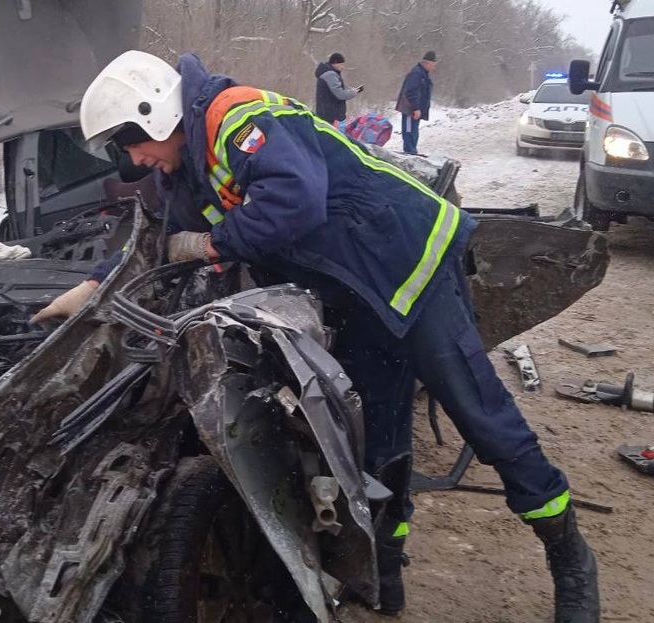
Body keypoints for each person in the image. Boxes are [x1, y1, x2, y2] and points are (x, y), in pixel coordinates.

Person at [32, 50, 599, 622]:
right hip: (349, 290)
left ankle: (569, 557)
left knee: (481, 414)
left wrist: (213, 244)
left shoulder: (236, 117)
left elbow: (294, 199)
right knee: (372, 432)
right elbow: (158, 240)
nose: (135, 159)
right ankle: (384, 565)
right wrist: (92, 287)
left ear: (157, 114)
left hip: (408, 263)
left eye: (133, 142)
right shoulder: (183, 169)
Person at [396, 51, 437, 154]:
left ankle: (412, 150)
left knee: (414, 132)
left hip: (415, 110)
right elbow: (410, 92)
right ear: (427, 63)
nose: (434, 67)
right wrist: (415, 108)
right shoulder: (416, 73)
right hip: (409, 109)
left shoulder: (423, 74)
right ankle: (410, 151)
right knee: (409, 131)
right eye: (433, 64)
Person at [314, 52, 363, 123]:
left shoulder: (329, 73)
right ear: (335, 63)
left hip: (327, 115)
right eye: (341, 64)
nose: (343, 67)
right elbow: (340, 94)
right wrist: (355, 92)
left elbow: (337, 89)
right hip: (330, 117)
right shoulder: (330, 75)